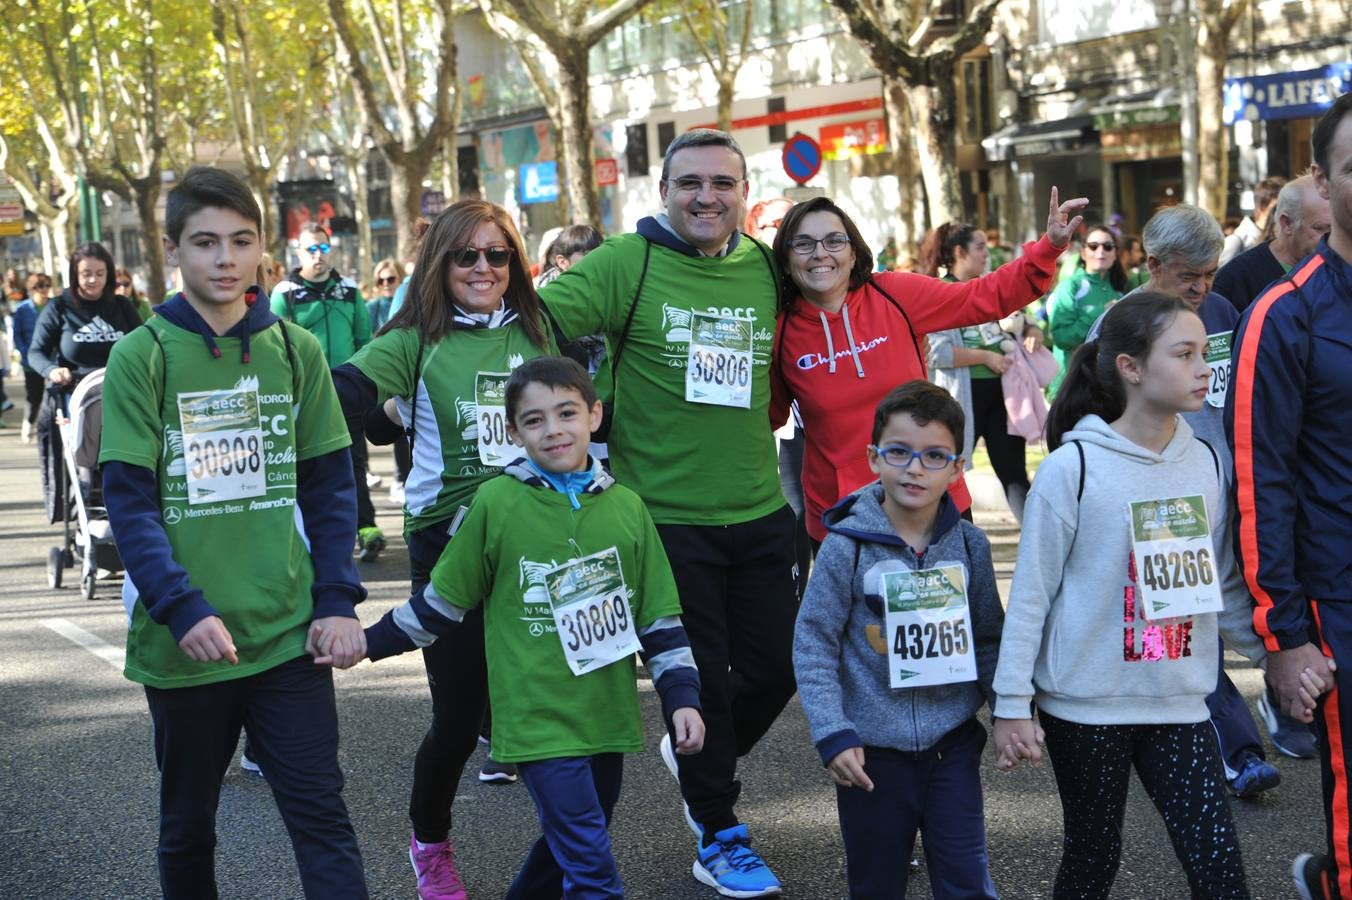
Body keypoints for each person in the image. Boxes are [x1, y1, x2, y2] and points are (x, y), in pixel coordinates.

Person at [537, 128, 805, 898]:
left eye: (722, 184)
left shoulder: (762, 265)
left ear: (743, 195)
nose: (706, 197)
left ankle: (696, 754)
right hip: (664, 521)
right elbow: (538, 322)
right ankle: (717, 831)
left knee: (777, 667)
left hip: (760, 510)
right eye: (690, 183)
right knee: (707, 684)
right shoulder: (630, 261)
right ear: (663, 192)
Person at [98, 166, 368, 899]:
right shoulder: (142, 355)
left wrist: (338, 599)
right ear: (173, 249)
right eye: (206, 242)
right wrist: (181, 607)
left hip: (288, 636)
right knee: (188, 827)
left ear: (261, 252)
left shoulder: (294, 351)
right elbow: (130, 499)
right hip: (187, 643)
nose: (225, 259)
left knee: (322, 818)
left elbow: (329, 485)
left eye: (241, 241)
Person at [356, 356, 705, 900]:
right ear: (513, 432)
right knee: (593, 870)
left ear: (594, 414)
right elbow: (442, 604)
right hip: (537, 718)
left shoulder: (629, 508)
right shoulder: (497, 502)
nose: (554, 429)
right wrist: (365, 642)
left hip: (606, 716)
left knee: (570, 845)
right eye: (535, 420)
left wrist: (681, 696)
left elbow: (658, 620)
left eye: (566, 412)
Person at [992, 293, 1261, 899]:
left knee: (1219, 868)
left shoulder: (1206, 463)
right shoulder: (1073, 469)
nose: (1202, 369)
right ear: (1131, 368)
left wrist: (1280, 658)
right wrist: (1011, 704)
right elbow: (1032, 596)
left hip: (1179, 702)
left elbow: (1221, 584)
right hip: (1085, 706)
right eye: (1184, 354)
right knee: (1093, 857)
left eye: (1203, 354)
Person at [332, 199, 556, 900]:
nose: (483, 268)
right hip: (451, 543)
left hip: (535, 538)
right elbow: (341, 394)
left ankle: (569, 851)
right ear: (441, 264)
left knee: (550, 712)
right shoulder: (416, 340)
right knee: (458, 723)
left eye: (497, 255)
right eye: (468, 256)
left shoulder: (541, 327)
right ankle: (429, 845)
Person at [774, 193, 1084, 545]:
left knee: (958, 601)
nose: (820, 253)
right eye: (803, 243)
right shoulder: (780, 331)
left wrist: (1048, 249)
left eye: (834, 240)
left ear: (853, 251)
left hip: (932, 502)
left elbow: (982, 297)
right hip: (842, 516)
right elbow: (760, 419)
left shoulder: (893, 294)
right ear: (785, 259)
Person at [794, 380, 1003, 899]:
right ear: (873, 458)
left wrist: (1008, 710)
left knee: (964, 881)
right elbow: (814, 642)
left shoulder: (970, 547)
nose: (915, 468)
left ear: (957, 469)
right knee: (877, 884)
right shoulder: (846, 546)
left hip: (951, 746)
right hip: (871, 756)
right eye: (900, 453)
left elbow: (989, 637)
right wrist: (833, 731)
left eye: (934, 456)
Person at [1119, 202, 1290, 787]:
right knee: (1188, 627)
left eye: (1210, 271)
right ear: (1154, 264)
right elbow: (1077, 417)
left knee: (1251, 615)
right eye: (1188, 274)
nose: (1201, 285)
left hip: (1231, 492)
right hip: (1161, 505)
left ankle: (1298, 704)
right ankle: (1236, 754)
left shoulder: (1222, 310)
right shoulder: (1121, 322)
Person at [1228, 93, 1352, 899]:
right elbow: (1258, 479)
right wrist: (1285, 636)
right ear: (1321, 182)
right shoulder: (1284, 314)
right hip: (1339, 604)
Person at [270, 224, 383, 561]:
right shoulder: (285, 292)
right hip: (305, 393)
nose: (317, 256)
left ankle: (366, 528)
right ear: (298, 252)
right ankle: (312, 535)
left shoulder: (349, 290)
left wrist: (369, 381)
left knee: (354, 461)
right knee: (309, 464)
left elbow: (365, 340)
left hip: (348, 390)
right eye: (310, 249)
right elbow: (276, 346)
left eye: (323, 248)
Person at [28, 241, 141, 521]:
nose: (93, 280)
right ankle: (85, 509)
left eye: (100, 273)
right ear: (75, 275)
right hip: (76, 396)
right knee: (85, 459)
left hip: (122, 393)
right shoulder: (59, 307)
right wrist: (52, 370)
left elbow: (144, 343)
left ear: (109, 274)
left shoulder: (122, 306)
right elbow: (36, 352)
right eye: (86, 273)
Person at [1214, 174, 1332, 313]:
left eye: (1339, 228)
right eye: (1320, 228)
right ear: (1287, 223)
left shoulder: (1339, 269)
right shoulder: (1236, 280)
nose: (1331, 238)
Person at [1046, 223, 1127, 396]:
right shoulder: (1069, 286)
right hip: (1071, 387)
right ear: (1083, 253)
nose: (1101, 251)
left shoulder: (1120, 291)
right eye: (1093, 246)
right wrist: (1099, 313)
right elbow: (1062, 337)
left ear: (1115, 254)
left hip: (1108, 387)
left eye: (1107, 246)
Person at [366, 257, 411, 505]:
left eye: (390, 278)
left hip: (402, 370)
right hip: (382, 371)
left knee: (405, 427)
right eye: (380, 279)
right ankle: (396, 477)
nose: (385, 283)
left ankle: (402, 477)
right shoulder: (373, 307)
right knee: (387, 425)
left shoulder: (407, 296)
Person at [12, 272, 52, 443]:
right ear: (32, 289)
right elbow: (17, 335)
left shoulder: (54, 306)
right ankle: (29, 422)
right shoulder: (22, 309)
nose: (43, 290)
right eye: (39, 287)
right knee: (34, 396)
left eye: (46, 286)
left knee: (51, 396)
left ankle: (50, 428)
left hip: (52, 360)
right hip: (30, 361)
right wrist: (25, 353)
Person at [1220, 176, 1286, 265]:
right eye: (1278, 206)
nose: (1285, 211)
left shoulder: (1279, 239)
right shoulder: (1236, 242)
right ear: (1261, 206)